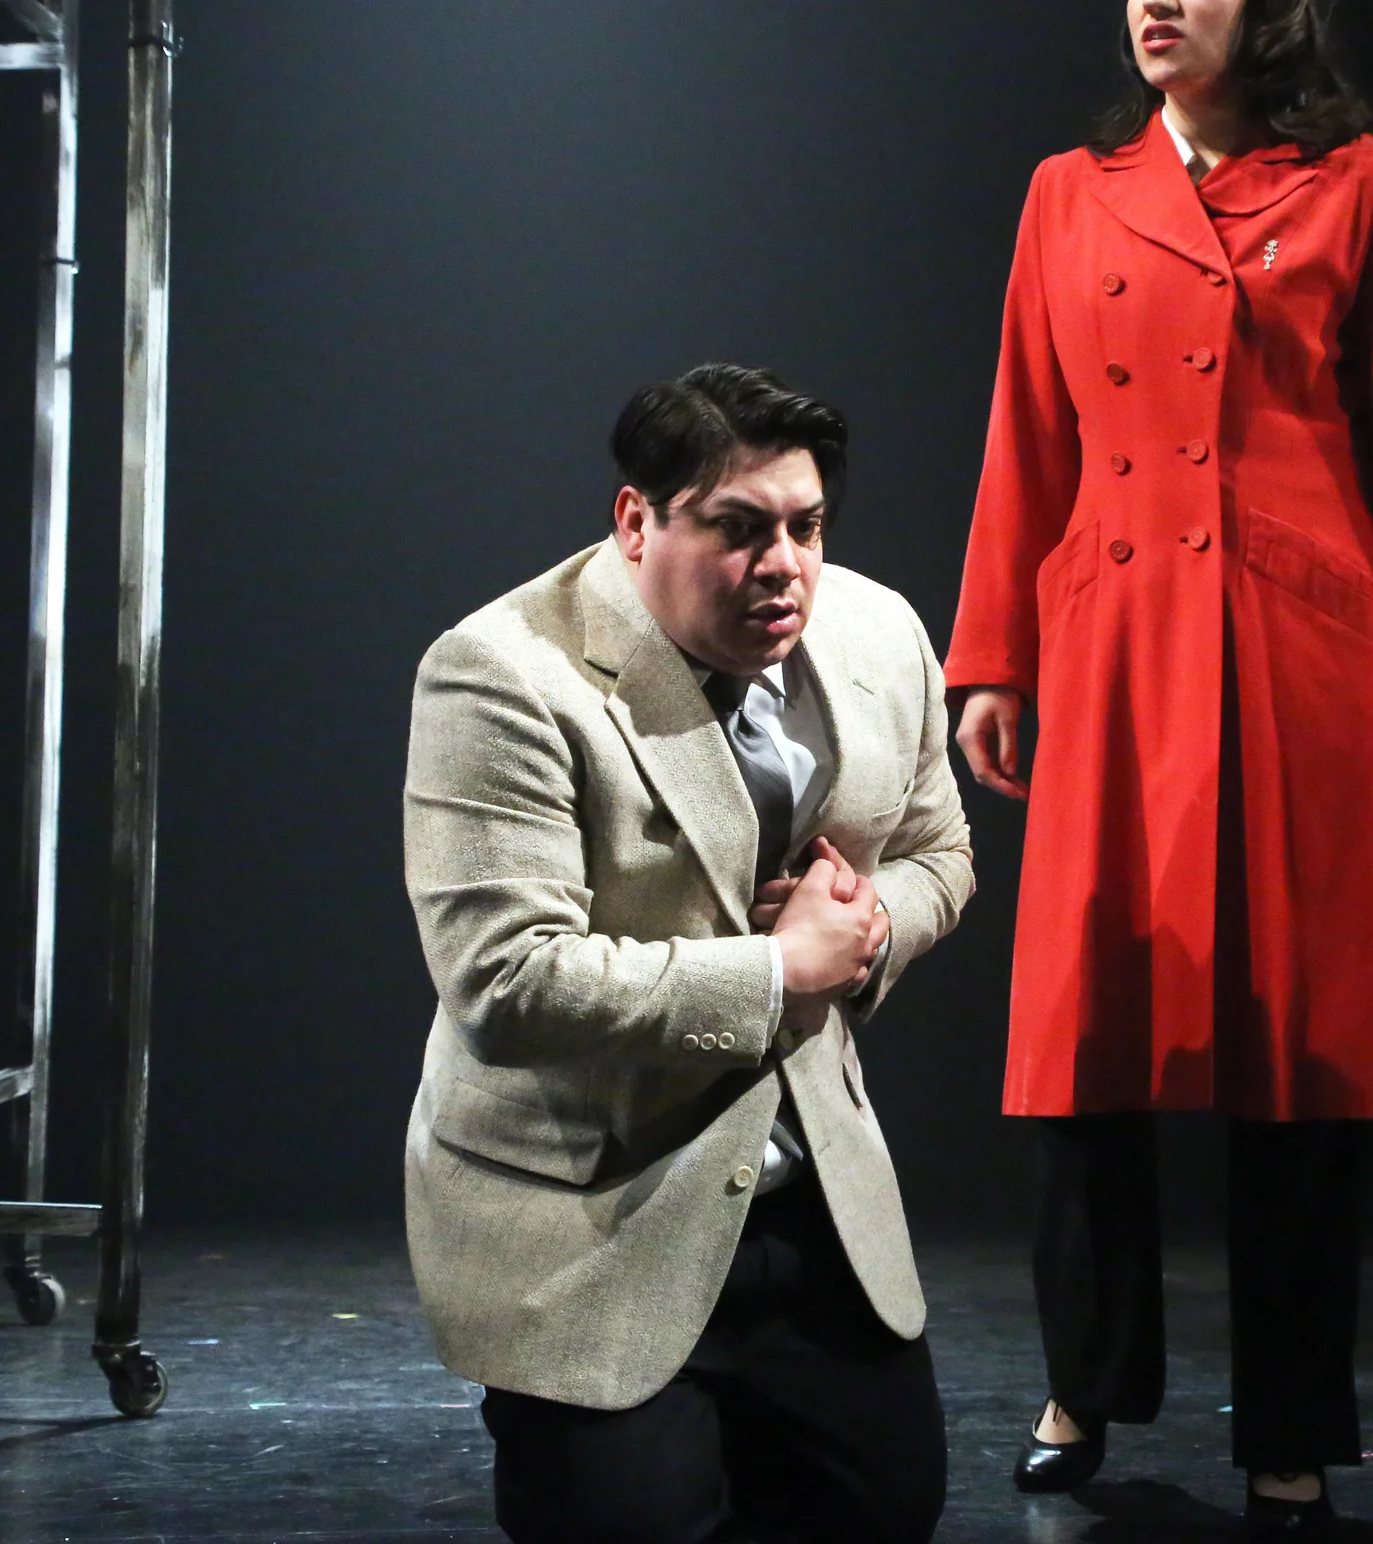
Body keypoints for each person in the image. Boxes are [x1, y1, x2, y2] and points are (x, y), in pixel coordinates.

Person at [946, 0, 1373, 1536]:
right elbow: (1025, 434)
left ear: (1263, 1)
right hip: (1116, 637)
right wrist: (993, 657)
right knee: (1084, 1042)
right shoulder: (1069, 193)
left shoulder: (1366, 184)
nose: (1156, 1)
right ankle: (1082, 1384)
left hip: (1301, 647)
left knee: (1305, 1065)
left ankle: (1292, 1427)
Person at [400, 363, 972, 1544]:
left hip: (812, 1201)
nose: (783, 565)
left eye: (806, 527)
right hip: (595, 1212)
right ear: (635, 520)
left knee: (884, 1511)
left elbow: (939, 851)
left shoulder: (878, 633)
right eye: (737, 527)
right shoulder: (500, 673)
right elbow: (506, 981)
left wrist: (866, 926)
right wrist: (780, 971)